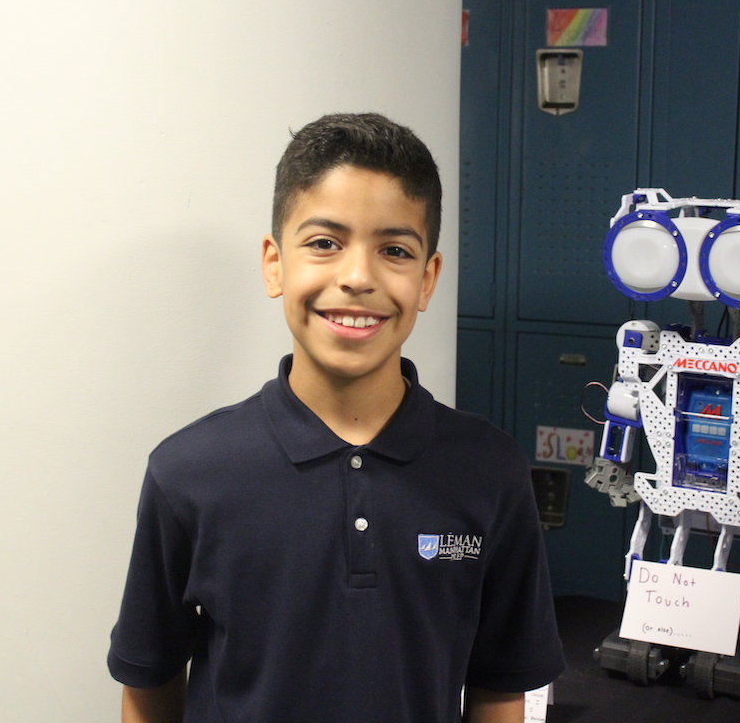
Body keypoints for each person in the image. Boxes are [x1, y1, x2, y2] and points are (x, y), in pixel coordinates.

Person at [108, 113, 564, 722]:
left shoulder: (490, 471)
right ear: (275, 263)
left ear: (428, 279)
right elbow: (149, 682)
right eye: (324, 243)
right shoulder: (187, 471)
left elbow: (499, 685)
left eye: (395, 251)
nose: (357, 277)